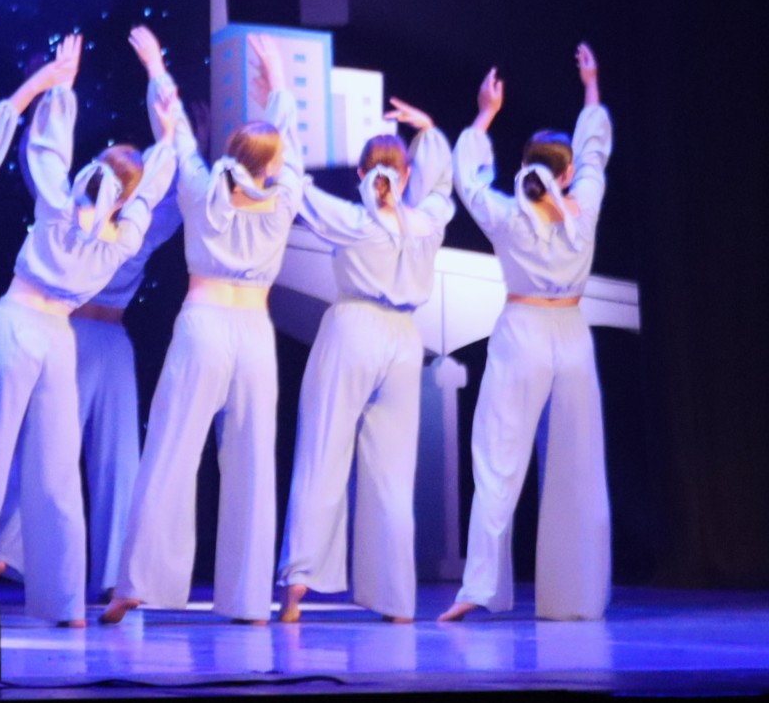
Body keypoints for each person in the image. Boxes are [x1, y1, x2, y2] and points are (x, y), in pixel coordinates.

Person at [0, 30, 180, 626]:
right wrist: (163, 114)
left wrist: (61, 89)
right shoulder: (124, 234)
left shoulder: (56, 202)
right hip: (57, 338)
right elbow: (157, 179)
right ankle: (65, 602)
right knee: (54, 470)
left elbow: (46, 149)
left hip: (19, 322)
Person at [103, 36, 306, 626]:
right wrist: (277, 82)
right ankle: (248, 600)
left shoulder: (198, 186)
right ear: (270, 165)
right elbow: (289, 141)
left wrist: (155, 65)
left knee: (171, 450)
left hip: (204, 325)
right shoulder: (285, 196)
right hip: (253, 334)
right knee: (252, 461)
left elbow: (176, 133)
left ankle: (136, 583)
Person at [0, 102, 201, 603]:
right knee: (49, 444)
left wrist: (184, 137)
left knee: (119, 456)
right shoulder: (74, 213)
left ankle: (112, 571)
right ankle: (8, 547)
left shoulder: (141, 225)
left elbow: (179, 195)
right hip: (74, 333)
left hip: (113, 342)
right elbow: (36, 167)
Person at [440, 44, 614, 623]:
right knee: (577, 464)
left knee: (498, 455)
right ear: (565, 174)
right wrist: (590, 86)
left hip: (524, 332)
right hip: (571, 335)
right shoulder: (584, 206)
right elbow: (594, 154)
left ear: (526, 167)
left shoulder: (509, 215)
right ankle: (575, 594)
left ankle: (479, 586)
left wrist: (485, 114)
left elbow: (468, 180)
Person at [276, 99, 452, 624]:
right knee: (392, 473)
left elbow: (296, 188)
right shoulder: (426, 223)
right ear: (405, 175)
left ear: (360, 174)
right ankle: (396, 599)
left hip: (353, 327)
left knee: (322, 454)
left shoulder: (354, 221)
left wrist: (282, 109)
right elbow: (442, 187)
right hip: (404, 339)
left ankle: (297, 589)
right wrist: (430, 131)